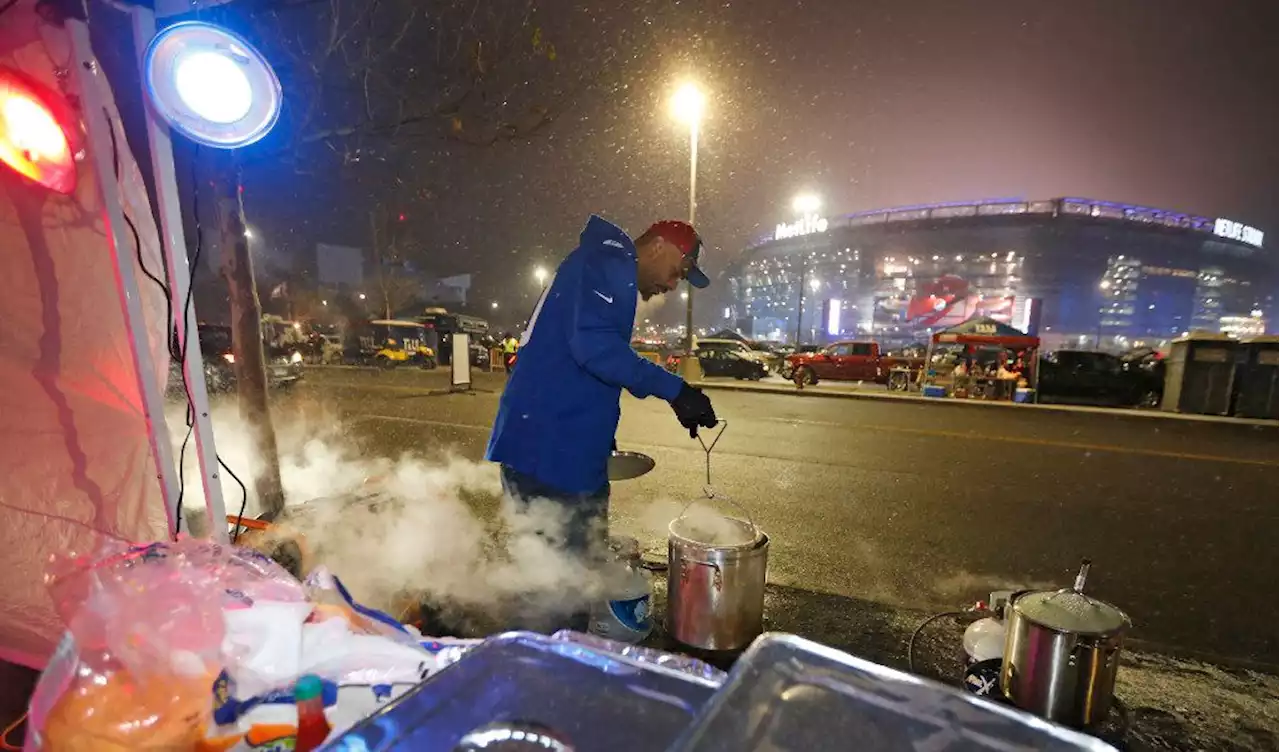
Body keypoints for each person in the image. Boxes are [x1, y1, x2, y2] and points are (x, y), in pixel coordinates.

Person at [486, 216, 718, 627]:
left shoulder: (604, 269)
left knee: (562, 581)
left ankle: (548, 668)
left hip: (562, 450)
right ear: (659, 246)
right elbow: (595, 348)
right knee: (557, 592)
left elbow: (583, 365)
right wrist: (676, 391)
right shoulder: (605, 262)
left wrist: (602, 435)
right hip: (549, 455)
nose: (673, 284)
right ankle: (545, 679)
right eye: (678, 272)